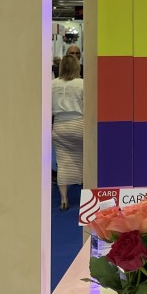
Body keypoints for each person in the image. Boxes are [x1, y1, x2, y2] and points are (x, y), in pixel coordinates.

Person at [51, 53, 84, 210]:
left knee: (63, 162)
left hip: (59, 125)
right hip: (78, 124)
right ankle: (86, 195)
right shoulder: (82, 83)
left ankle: (64, 200)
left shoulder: (52, 84)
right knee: (85, 160)